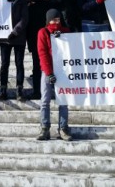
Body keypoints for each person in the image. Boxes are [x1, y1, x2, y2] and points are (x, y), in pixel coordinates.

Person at [36, 9, 72, 141]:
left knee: (63, 101)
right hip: (47, 70)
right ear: (48, 20)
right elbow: (43, 53)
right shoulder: (43, 32)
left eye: (58, 19)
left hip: (62, 71)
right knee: (45, 100)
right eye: (54, 20)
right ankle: (44, 128)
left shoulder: (66, 31)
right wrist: (49, 73)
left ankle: (63, 128)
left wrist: (63, 38)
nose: (56, 22)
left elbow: (72, 48)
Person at [0, 0, 30, 102]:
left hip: (18, 37)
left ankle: (19, 90)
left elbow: (24, 19)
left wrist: (15, 31)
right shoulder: (1, 1)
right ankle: (3, 90)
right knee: (4, 65)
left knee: (19, 64)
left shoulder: (23, 1)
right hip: (4, 38)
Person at [25, 0, 54, 99]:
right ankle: (37, 91)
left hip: (49, 40)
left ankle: (53, 91)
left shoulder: (50, 5)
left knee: (51, 66)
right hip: (36, 41)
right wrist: (30, 43)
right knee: (37, 67)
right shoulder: (30, 6)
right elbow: (28, 26)